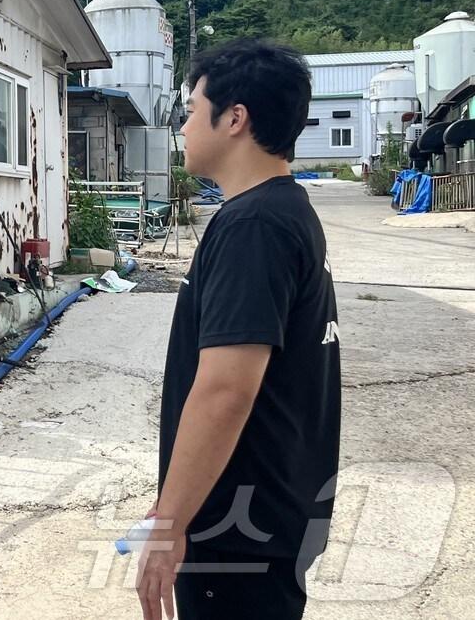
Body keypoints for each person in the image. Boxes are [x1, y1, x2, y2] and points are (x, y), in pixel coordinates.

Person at [136, 39, 341, 620]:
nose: (182, 126)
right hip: (266, 514)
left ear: (234, 119)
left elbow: (226, 390)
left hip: (238, 532)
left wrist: (171, 525)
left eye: (191, 109)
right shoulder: (284, 209)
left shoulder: (253, 225)